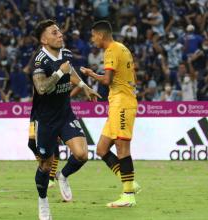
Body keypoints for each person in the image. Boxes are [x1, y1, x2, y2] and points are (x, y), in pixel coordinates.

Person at [31, 19, 101, 220]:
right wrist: (60, 71)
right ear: (44, 39)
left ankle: (63, 175)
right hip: (45, 120)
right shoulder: (39, 60)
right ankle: (43, 201)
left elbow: (71, 72)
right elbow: (42, 88)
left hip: (65, 114)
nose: (60, 34)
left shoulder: (66, 54)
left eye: (60, 31)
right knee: (45, 165)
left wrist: (85, 87)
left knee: (82, 155)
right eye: (54, 32)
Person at [80, 20, 139, 207]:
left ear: (100, 35)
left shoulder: (111, 50)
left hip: (122, 103)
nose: (92, 39)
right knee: (102, 149)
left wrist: (91, 75)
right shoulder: (122, 48)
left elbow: (107, 80)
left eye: (93, 36)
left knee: (122, 149)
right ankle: (129, 181)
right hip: (117, 102)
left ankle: (128, 195)